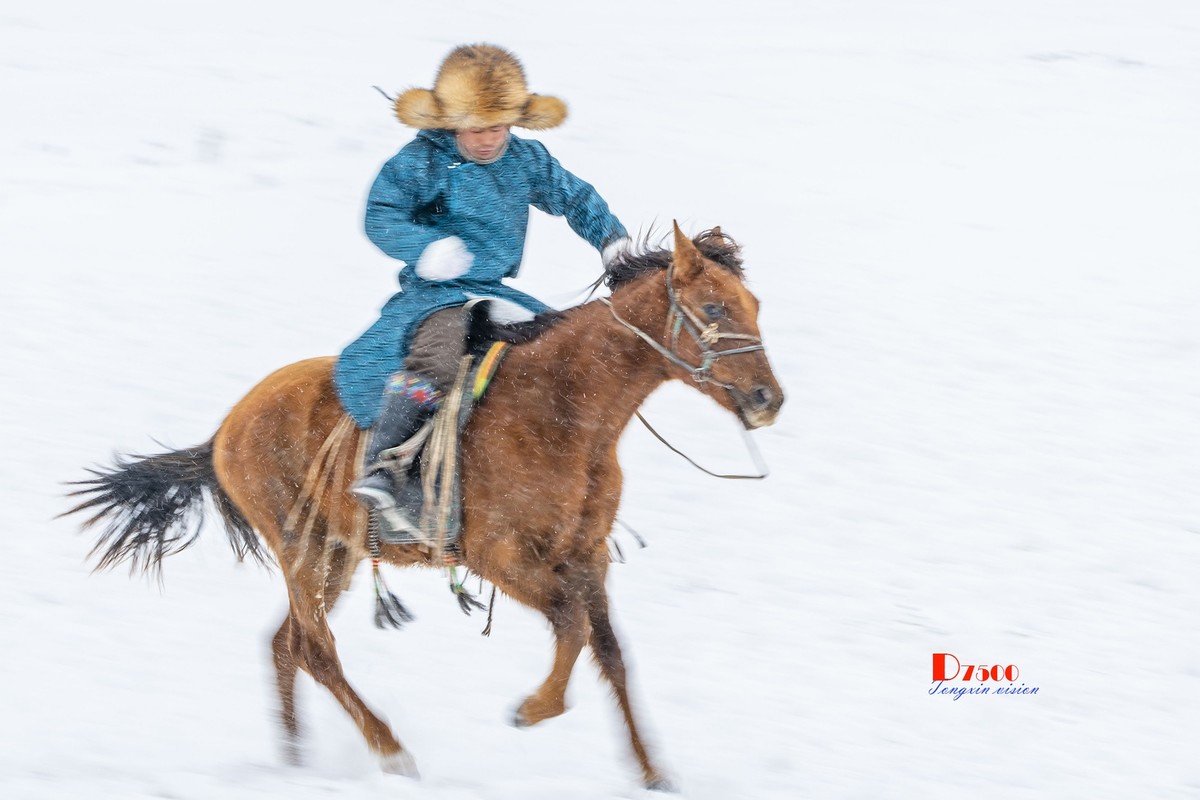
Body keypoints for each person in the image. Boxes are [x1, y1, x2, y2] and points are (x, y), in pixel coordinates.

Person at [333, 43, 630, 537]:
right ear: (452, 124)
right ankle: (388, 465)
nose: (489, 139)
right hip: (436, 294)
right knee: (440, 349)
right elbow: (380, 215)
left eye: (498, 127)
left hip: (494, 291)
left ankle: (548, 474)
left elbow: (574, 196)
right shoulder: (423, 161)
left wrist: (611, 239)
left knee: (558, 346)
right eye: (476, 129)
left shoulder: (525, 159)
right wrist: (425, 248)